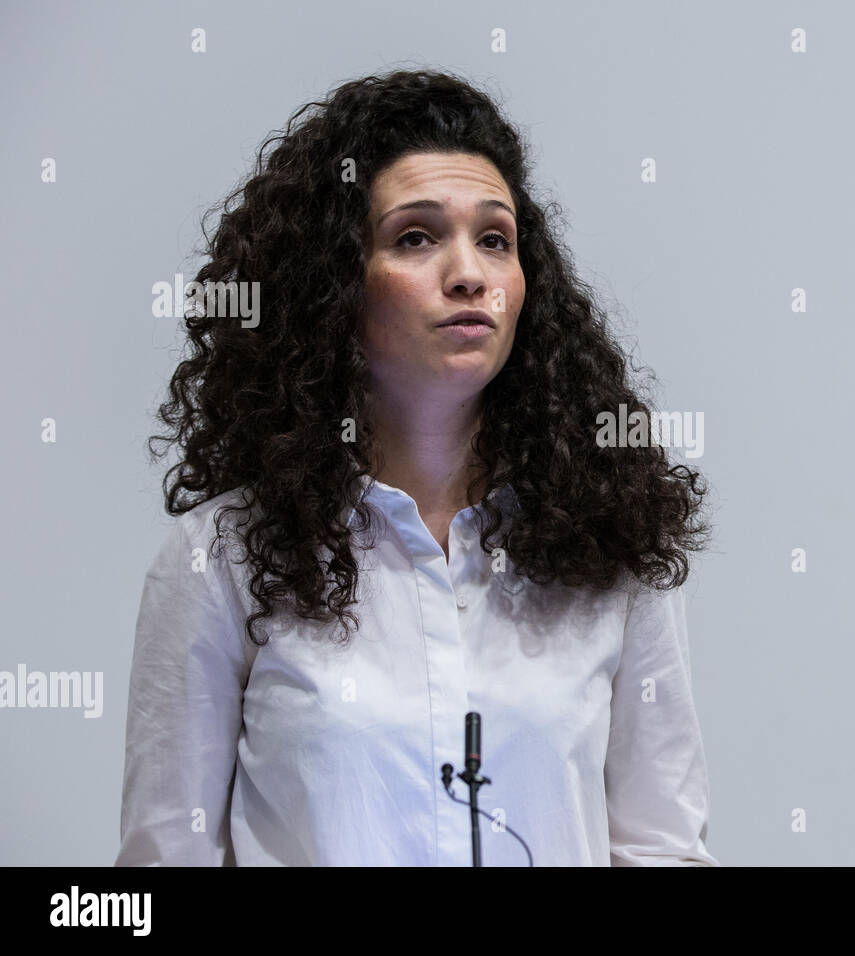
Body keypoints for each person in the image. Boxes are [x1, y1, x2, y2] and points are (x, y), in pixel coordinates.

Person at [116, 69, 718, 866]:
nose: (469, 273)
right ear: (332, 288)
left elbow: (662, 849)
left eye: (495, 240)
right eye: (416, 237)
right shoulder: (218, 559)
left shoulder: (613, 547)